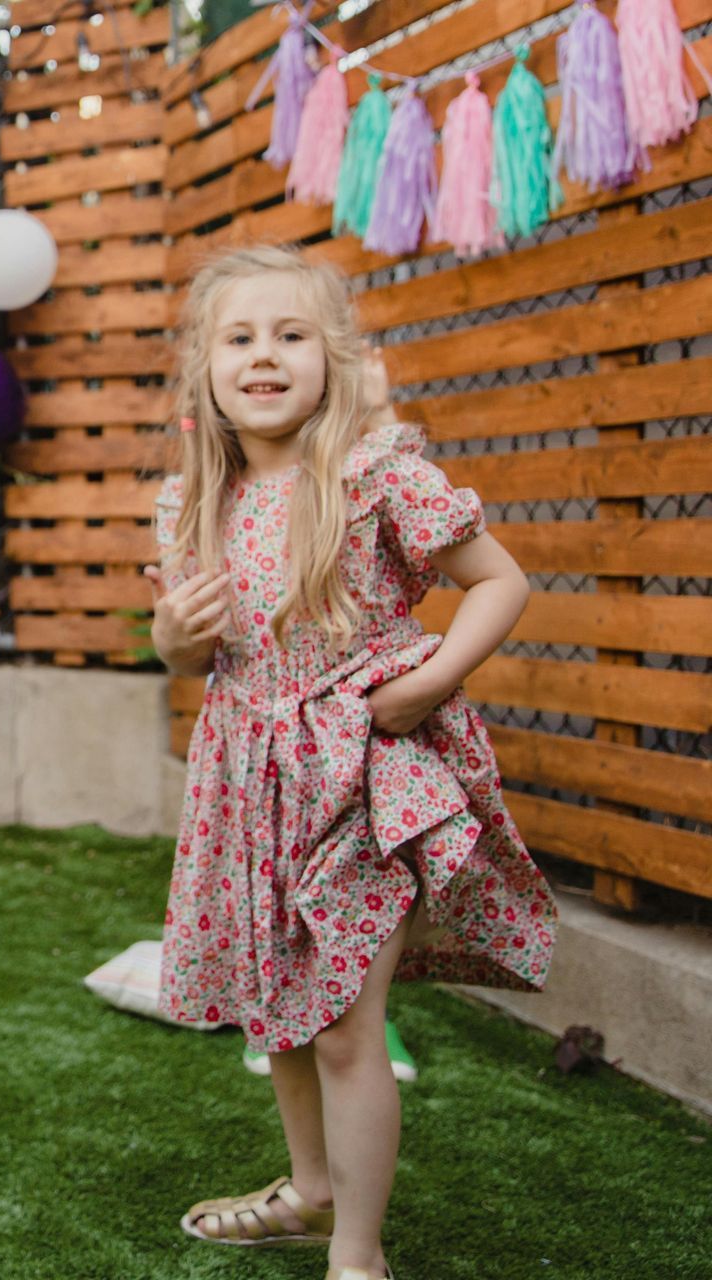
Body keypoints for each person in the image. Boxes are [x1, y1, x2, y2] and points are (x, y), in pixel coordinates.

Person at [146, 244, 555, 1280]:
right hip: (251, 783)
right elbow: (200, 654)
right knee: (279, 1007)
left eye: (291, 334)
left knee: (340, 1025)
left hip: (363, 778)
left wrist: (430, 680)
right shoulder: (191, 503)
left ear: (333, 357)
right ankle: (312, 1187)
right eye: (239, 337)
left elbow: (500, 581)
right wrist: (170, 638)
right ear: (205, 363)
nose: (265, 355)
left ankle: (357, 1255)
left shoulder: (378, 477)